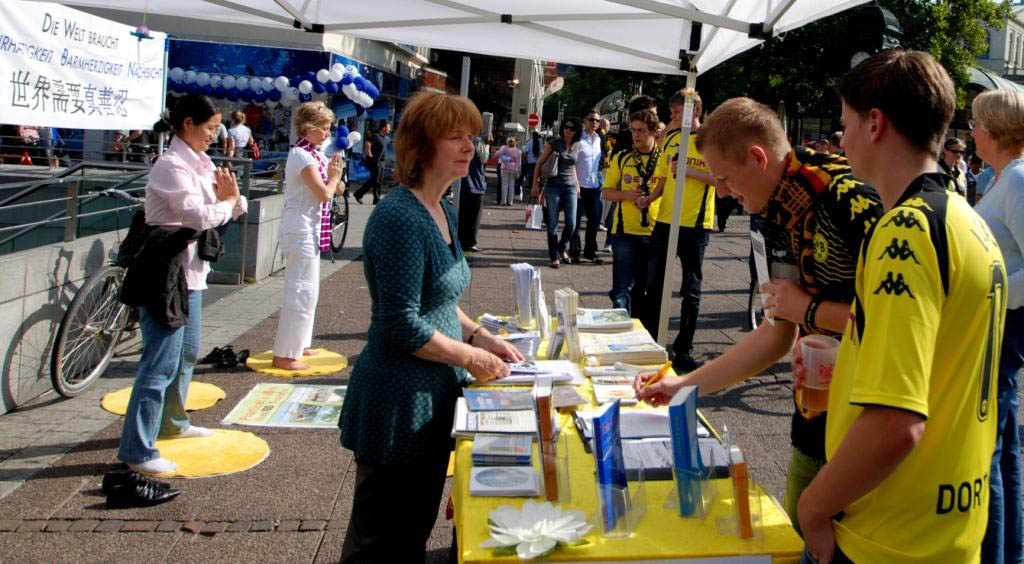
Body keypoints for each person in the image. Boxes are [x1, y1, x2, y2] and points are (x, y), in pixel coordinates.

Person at [794, 49, 1006, 564]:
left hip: (887, 534)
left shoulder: (906, 230)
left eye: (845, 123)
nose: (841, 139)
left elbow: (895, 422)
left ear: (875, 123)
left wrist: (814, 508)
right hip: (947, 526)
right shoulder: (967, 220)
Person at [635, 96, 882, 535]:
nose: (721, 191)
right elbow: (775, 334)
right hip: (813, 422)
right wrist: (682, 387)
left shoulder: (850, 199)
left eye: (725, 178)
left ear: (757, 157)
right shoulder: (770, 212)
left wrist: (809, 309)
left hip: (871, 432)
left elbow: (901, 323)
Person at [338, 91, 523, 562]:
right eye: (455, 137)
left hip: (430, 395)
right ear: (422, 146)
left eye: (472, 137)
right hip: (398, 402)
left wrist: (480, 335)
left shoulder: (440, 208)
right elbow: (400, 322)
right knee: (381, 543)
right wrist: (472, 356)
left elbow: (440, 301)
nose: (469, 147)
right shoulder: (400, 217)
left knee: (411, 533)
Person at [117, 94, 248, 475]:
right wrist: (228, 203)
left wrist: (230, 201)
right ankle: (137, 450)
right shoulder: (170, 165)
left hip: (190, 273)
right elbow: (199, 215)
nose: (214, 135)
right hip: (163, 273)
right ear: (187, 124)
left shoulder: (201, 162)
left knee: (187, 354)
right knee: (159, 365)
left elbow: (231, 207)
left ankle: (172, 422)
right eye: (210, 128)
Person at [971, 89, 1024, 564]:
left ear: (993, 130)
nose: (971, 133)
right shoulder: (1004, 177)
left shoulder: (1018, 179)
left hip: (1002, 328)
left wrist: (989, 296)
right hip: (998, 326)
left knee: (990, 449)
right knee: (1002, 450)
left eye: (975, 124)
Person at [641, 89, 716, 372]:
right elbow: (664, 175)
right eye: (671, 112)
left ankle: (683, 349)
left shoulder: (709, 140)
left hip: (695, 225)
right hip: (665, 220)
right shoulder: (671, 137)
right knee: (654, 284)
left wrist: (690, 171)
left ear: (694, 111)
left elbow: (721, 181)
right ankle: (651, 340)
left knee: (691, 290)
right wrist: (651, 198)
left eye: (676, 112)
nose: (672, 117)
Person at [271, 102, 345, 371]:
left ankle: (299, 344)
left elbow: (337, 188)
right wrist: (334, 179)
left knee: (309, 290)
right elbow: (324, 193)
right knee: (299, 290)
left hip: (309, 230)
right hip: (299, 229)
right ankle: (285, 354)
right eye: (324, 128)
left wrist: (336, 175)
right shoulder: (301, 155)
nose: (328, 133)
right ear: (308, 128)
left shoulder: (315, 155)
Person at [603, 110, 661, 315]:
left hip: (655, 232)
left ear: (654, 131)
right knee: (621, 289)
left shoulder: (664, 158)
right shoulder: (622, 157)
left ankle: (640, 328)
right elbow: (607, 192)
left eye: (641, 130)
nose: (636, 135)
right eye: (633, 130)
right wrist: (627, 195)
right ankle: (619, 327)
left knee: (644, 290)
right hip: (624, 232)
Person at [532, 118, 581, 269]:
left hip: (571, 187)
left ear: (576, 131)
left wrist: (577, 185)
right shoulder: (554, 143)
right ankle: (554, 256)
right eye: (566, 127)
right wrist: (535, 184)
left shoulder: (578, 145)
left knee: (571, 224)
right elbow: (539, 163)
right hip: (553, 187)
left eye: (571, 128)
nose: (568, 130)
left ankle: (561, 248)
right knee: (552, 224)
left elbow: (573, 166)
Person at [569, 109, 605, 264]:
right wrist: (575, 183)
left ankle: (590, 251)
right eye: (591, 119)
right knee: (575, 221)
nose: (594, 123)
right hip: (578, 185)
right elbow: (571, 162)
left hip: (594, 186)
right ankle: (575, 251)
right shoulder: (577, 138)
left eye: (597, 120)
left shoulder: (598, 139)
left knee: (594, 221)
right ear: (584, 121)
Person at [458, 138, 487, 253]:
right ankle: (470, 242)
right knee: (474, 217)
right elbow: (484, 159)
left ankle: (461, 240)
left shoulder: (460, 141)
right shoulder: (478, 142)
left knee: (463, 215)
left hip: (463, 183)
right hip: (477, 185)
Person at [354, 121, 391, 204]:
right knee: (376, 181)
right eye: (388, 127)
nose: (390, 129)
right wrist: (370, 155)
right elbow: (367, 143)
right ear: (384, 128)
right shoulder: (376, 136)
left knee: (374, 180)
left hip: (381, 162)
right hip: (375, 162)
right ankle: (376, 199)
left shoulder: (383, 137)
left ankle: (358, 194)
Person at [493, 137, 522, 206]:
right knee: (512, 186)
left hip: (504, 168)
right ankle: (510, 202)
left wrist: (504, 157)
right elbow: (519, 162)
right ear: (515, 143)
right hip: (514, 169)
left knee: (504, 185)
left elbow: (497, 154)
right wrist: (518, 169)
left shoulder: (504, 148)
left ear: (507, 142)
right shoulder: (518, 151)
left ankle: (503, 201)